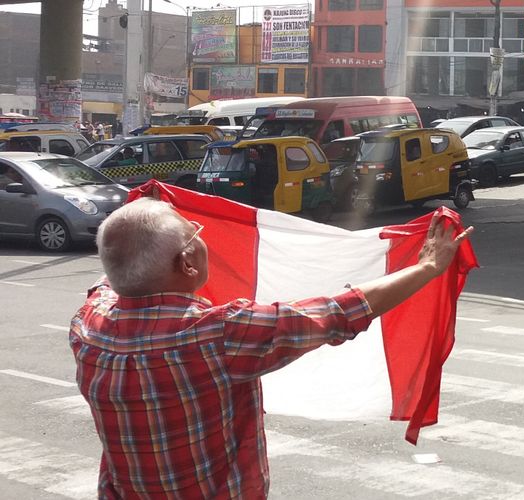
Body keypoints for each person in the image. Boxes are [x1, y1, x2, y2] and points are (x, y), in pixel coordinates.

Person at [75, 197, 471, 498]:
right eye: (195, 232)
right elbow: (338, 312)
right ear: (187, 263)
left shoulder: (89, 324)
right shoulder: (216, 335)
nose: (201, 234)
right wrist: (428, 267)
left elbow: (111, 278)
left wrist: (141, 217)